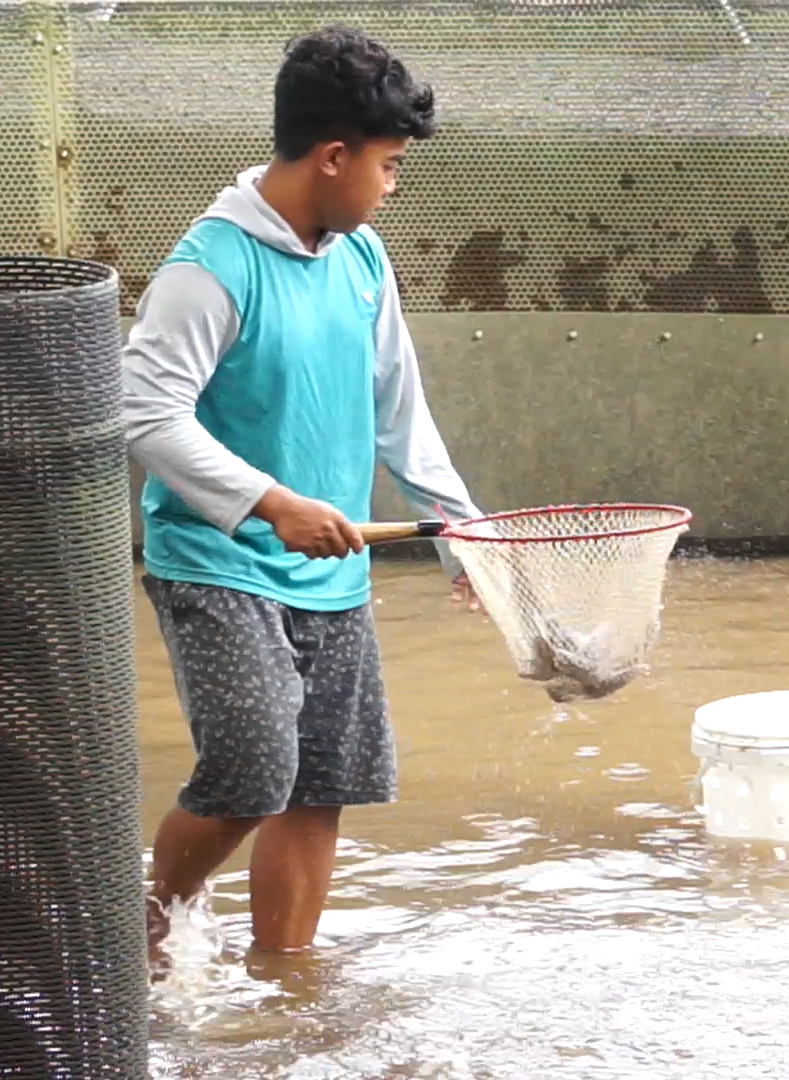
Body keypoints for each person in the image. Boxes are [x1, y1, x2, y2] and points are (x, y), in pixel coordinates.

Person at [122, 25, 482, 964]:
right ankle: (150, 914)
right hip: (220, 564)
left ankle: (287, 990)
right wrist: (273, 504)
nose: (391, 186)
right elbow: (146, 415)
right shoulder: (210, 267)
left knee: (320, 783)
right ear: (332, 157)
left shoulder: (363, 263)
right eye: (389, 165)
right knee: (252, 768)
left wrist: (465, 537)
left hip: (335, 572)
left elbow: (402, 411)